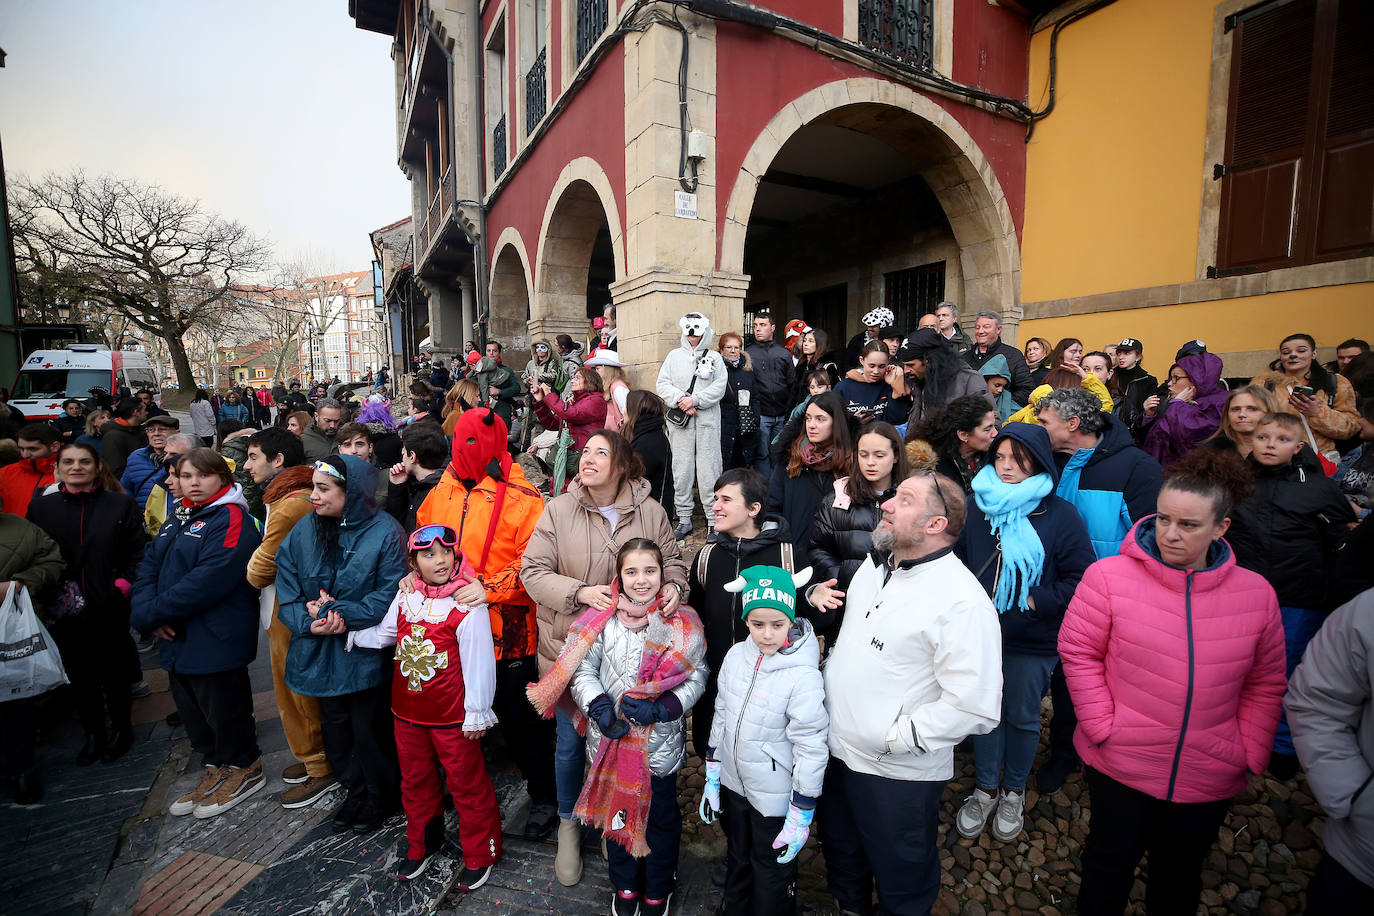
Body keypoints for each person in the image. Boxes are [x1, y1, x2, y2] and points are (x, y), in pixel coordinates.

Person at [1058, 449, 1286, 915]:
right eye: (1162, 519)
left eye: (1188, 525)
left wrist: (1249, 749)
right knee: (1107, 866)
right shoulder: (1108, 578)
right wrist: (1104, 726)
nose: (1170, 534)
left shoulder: (1256, 594)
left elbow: (1265, 681)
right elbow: (1079, 652)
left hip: (1210, 769)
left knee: (1179, 874)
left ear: (1221, 528)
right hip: (1121, 761)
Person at [822, 471, 1001, 914]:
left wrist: (893, 738)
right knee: (843, 854)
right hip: (834, 750)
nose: (885, 502)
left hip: (894, 772)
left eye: (903, 500)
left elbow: (974, 705)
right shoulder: (874, 566)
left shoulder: (962, 601)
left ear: (935, 525)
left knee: (901, 873)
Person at [521, 430, 688, 886]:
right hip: (571, 652)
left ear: (622, 465)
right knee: (573, 745)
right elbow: (532, 571)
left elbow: (673, 563)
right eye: (585, 451)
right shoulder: (558, 509)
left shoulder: (650, 512)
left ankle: (610, 813)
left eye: (601, 452)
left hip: (634, 659)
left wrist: (673, 586)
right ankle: (570, 825)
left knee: (621, 741)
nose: (587, 458)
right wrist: (579, 593)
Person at [528, 538, 706, 916]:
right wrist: (599, 705)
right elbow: (582, 670)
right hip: (610, 743)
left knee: (660, 819)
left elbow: (697, 675)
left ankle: (658, 886)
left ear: (663, 574)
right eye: (632, 572)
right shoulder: (600, 621)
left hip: (657, 749)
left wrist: (664, 708)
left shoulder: (681, 622)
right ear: (619, 577)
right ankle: (624, 886)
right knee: (618, 815)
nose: (641, 580)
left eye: (650, 571)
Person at [414, 407, 560, 841]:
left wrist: (489, 588)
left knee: (522, 721)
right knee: (460, 714)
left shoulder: (523, 498)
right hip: (452, 626)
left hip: (508, 627)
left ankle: (545, 796)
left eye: (473, 440)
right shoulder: (442, 489)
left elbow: (535, 565)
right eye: (459, 438)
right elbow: (424, 538)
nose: (464, 448)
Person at [952, 424, 1094, 842]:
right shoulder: (978, 507)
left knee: (1022, 716)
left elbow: (1083, 575)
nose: (1007, 466)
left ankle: (1013, 790)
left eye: (1018, 457)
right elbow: (956, 563)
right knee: (985, 713)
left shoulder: (1060, 515)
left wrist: (1037, 601)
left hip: (1032, 638)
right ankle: (986, 787)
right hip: (982, 635)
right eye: (1000, 456)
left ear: (1039, 460)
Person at [343, 525, 503, 889]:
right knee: (415, 782)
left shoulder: (467, 603)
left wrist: (477, 711)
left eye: (445, 552)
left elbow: (479, 662)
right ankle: (423, 842)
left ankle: (482, 852)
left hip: (452, 718)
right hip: (408, 714)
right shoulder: (406, 597)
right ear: (413, 562)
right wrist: (348, 634)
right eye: (429, 554)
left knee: (466, 785)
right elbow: (387, 634)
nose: (440, 560)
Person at [1034, 386, 1163, 793]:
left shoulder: (1136, 468)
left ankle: (1072, 754)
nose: (1037, 429)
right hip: (1049, 591)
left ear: (1072, 425)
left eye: (1043, 422)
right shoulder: (1045, 462)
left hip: (1106, 601)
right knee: (1048, 676)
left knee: (1086, 680)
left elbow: (1151, 539)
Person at [276, 454, 407, 833]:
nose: (312, 496)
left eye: (322, 488)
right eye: (313, 486)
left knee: (368, 729)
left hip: (364, 656)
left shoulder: (386, 532)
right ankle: (355, 790)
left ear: (351, 493)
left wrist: (338, 613)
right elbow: (287, 587)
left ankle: (380, 797)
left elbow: (388, 595)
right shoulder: (304, 530)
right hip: (319, 650)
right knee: (336, 728)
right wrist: (309, 621)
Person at [130, 448, 265, 817]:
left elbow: (210, 578)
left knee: (225, 709)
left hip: (216, 636)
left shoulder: (232, 517)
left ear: (222, 477)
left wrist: (153, 612)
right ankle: (215, 767)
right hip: (175, 635)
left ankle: (244, 767)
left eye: (202, 476)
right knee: (194, 712)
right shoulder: (179, 515)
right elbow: (151, 565)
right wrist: (144, 612)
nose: (193, 483)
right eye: (186, 476)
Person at [1225, 411, 1356, 776]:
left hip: (1298, 597)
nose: (1270, 445)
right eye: (1264, 438)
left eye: (1281, 440)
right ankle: (1237, 733)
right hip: (1242, 594)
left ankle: (1282, 746)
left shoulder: (1317, 488)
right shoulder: (1236, 481)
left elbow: (1341, 540)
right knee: (1238, 666)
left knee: (1284, 673)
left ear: (1298, 446)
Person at [700, 565, 828, 916]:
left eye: (778, 624)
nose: (767, 634)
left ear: (791, 620)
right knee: (738, 859)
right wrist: (713, 770)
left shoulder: (803, 677)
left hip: (773, 798)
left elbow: (811, 745)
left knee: (771, 872)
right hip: (734, 785)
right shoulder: (735, 657)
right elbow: (722, 713)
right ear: (746, 620)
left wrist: (802, 809)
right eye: (758, 624)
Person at [26, 442, 145, 766]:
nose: (76, 467)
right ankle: (94, 734)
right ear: (59, 468)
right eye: (69, 462)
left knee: (114, 672)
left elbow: (138, 550)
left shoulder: (118, 504)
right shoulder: (41, 508)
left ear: (96, 467)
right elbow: (36, 554)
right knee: (80, 675)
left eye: (83, 461)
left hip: (109, 603)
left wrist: (122, 585)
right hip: (62, 607)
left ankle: (122, 729)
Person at [242, 427, 336, 809]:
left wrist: (253, 565)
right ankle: (313, 759)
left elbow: (258, 570)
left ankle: (318, 766)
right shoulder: (286, 496)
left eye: (253, 457)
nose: (247, 466)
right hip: (287, 606)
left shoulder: (290, 503)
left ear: (278, 460)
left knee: (295, 687)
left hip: (291, 608)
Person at [688, 468, 797, 757]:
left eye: (726, 499)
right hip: (716, 684)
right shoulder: (706, 558)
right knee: (711, 750)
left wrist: (812, 595)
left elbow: (806, 621)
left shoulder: (787, 556)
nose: (715, 506)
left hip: (769, 689)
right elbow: (695, 620)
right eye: (715, 499)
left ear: (753, 509)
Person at [1285, 587, 1374, 912]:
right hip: (1362, 855)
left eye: (1188, 528)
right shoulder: (1368, 612)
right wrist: (1354, 796)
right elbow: (1317, 701)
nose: (1171, 535)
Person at [807, 422, 911, 640]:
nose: (870, 462)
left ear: (896, 456)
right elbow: (819, 549)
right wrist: (842, 578)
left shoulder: (912, 501)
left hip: (899, 607)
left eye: (879, 455)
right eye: (863, 455)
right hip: (848, 606)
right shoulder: (837, 500)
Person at [0, 512, 65, 804]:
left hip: (11, 630)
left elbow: (51, 560)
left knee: (16, 700)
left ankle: (21, 770)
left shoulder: (18, 528)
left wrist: (19, 584)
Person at [657, 312, 728, 539]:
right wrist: (681, 400)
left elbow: (719, 387)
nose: (692, 334)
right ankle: (684, 518)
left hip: (707, 421)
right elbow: (663, 383)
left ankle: (712, 519)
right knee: (682, 470)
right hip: (682, 424)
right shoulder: (673, 357)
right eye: (689, 329)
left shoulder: (716, 359)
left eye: (696, 329)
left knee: (710, 470)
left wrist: (696, 400)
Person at [768, 392, 855, 564]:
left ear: (836, 423)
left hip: (837, 560)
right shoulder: (790, 459)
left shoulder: (854, 462)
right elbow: (772, 507)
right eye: (808, 418)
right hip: (794, 557)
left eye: (820, 419)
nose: (811, 425)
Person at [1251, 333, 1361, 461]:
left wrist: (1317, 413)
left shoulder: (1336, 382)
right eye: (1286, 352)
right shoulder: (1263, 384)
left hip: (1322, 459)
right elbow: (1250, 421)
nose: (1293, 355)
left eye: (1301, 350)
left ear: (1314, 353)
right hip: (1277, 458)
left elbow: (1351, 427)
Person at [1140, 351, 1227, 467]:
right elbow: (1154, 441)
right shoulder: (1168, 402)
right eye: (1170, 378)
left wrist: (1176, 405)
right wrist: (1149, 416)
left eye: (1176, 378)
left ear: (1196, 379)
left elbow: (1188, 434)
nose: (1169, 384)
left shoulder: (1218, 403)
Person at [896, 328, 992, 429]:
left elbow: (990, 423)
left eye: (911, 365)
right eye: (905, 365)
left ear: (928, 360)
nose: (906, 370)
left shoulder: (969, 380)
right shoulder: (920, 383)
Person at [535, 366, 609, 496]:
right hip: (569, 456)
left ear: (589, 380)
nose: (572, 380)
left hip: (580, 455)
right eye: (573, 377)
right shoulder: (575, 401)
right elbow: (552, 423)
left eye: (577, 377)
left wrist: (550, 395)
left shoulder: (596, 401)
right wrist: (540, 402)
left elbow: (571, 414)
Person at [906, 395, 998, 493]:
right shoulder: (935, 468)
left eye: (994, 426)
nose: (995, 433)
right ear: (963, 435)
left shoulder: (995, 456)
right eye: (987, 429)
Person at [747, 311, 795, 477]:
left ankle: (778, 491)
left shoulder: (783, 353)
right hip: (761, 414)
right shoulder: (748, 353)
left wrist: (789, 411)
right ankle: (765, 492)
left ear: (772, 328)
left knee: (780, 454)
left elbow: (791, 383)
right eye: (755, 325)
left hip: (782, 415)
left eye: (762, 325)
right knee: (762, 454)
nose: (757, 329)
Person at [385, 423, 448, 532]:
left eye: (404, 450)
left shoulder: (437, 493)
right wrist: (397, 487)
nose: (402, 453)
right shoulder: (418, 485)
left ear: (412, 457)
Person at [964, 311, 1035, 405]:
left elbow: (1027, 390)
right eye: (977, 327)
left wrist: (1001, 404)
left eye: (986, 327)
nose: (980, 331)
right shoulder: (965, 358)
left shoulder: (1013, 355)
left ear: (998, 329)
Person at [621, 390, 675, 512]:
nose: (624, 411)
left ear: (635, 411)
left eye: (627, 407)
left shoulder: (648, 442)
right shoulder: (645, 435)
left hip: (650, 515)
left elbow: (634, 481)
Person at [833, 340, 909, 424]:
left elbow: (899, 420)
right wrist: (854, 423)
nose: (876, 371)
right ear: (862, 360)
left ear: (888, 361)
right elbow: (833, 420)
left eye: (881, 366)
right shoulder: (843, 387)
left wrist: (895, 386)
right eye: (871, 366)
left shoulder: (891, 385)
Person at [1201, 384, 1282, 458]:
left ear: (1270, 413)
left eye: (1252, 409)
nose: (1241, 414)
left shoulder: (1287, 451)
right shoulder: (1209, 452)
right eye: (1235, 409)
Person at [120, 414, 180, 512]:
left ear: (177, 433)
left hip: (174, 519)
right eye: (151, 430)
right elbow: (125, 488)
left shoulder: (186, 459)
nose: (156, 434)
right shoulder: (136, 457)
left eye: (162, 429)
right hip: (142, 521)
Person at [142, 433, 196, 538]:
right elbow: (151, 523)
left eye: (174, 455)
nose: (165, 458)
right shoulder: (160, 485)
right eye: (165, 453)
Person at [1, 423, 60, 516]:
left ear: (54, 446)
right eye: (21, 449)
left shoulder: (69, 474)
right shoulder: (5, 472)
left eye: (32, 449)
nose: (25, 455)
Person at [716, 333, 757, 471]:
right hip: (722, 424)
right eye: (729, 347)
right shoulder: (714, 368)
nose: (733, 351)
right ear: (721, 349)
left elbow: (755, 396)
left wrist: (755, 418)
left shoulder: (747, 369)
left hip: (744, 426)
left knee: (742, 465)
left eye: (736, 347)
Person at [336, 421, 390, 506]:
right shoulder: (332, 476)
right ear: (340, 450)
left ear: (370, 447)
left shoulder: (387, 475)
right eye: (347, 445)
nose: (353, 451)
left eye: (359, 444)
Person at [101, 397, 148, 478]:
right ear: (136, 412)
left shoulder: (140, 432)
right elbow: (116, 471)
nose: (147, 413)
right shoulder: (113, 437)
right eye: (144, 410)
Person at [587, 350, 631, 432]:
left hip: (618, 436)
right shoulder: (610, 386)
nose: (596, 372)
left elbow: (627, 412)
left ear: (607, 369)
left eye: (598, 369)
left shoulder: (618, 387)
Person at [978, 354, 1016, 423]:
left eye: (1003, 386)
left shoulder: (1006, 398)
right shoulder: (971, 395)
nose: (1000, 390)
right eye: (997, 385)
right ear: (985, 381)